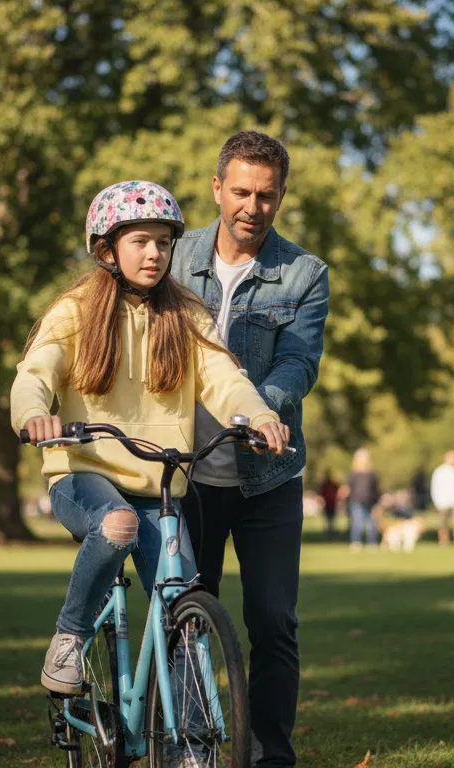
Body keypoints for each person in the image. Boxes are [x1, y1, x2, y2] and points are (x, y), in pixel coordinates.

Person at [10, 180, 289, 697]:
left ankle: (191, 742)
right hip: (84, 473)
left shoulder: (184, 314)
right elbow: (36, 372)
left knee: (185, 614)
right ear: (107, 249)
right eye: (140, 241)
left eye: (163, 242)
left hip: (160, 486)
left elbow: (224, 378)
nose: (155, 253)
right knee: (115, 525)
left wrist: (257, 415)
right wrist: (33, 413)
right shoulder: (75, 312)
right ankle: (69, 638)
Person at [171, 131, 329, 768]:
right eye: (240, 191)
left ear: (282, 196)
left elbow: (299, 362)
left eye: (266, 195)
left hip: (267, 477)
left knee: (272, 623)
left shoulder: (305, 273)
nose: (251, 206)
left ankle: (271, 760)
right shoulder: (171, 260)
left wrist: (260, 409)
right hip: (183, 476)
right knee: (182, 615)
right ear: (217, 189)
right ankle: (188, 747)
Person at [431, 450, 454, 548]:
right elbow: (435, 487)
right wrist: (437, 501)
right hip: (443, 502)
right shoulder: (439, 472)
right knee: (443, 524)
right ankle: (444, 542)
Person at [346, 449, 381, 550]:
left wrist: (377, 503)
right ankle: (356, 542)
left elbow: (376, 489)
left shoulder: (372, 474)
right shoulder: (353, 473)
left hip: (370, 501)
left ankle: (372, 543)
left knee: (372, 524)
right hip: (356, 501)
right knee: (357, 523)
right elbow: (349, 487)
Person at [318, 472, 341, 540]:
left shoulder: (332, 485)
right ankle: (329, 532)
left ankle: (331, 532)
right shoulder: (325, 485)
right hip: (328, 504)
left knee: (331, 520)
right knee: (329, 520)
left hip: (332, 504)